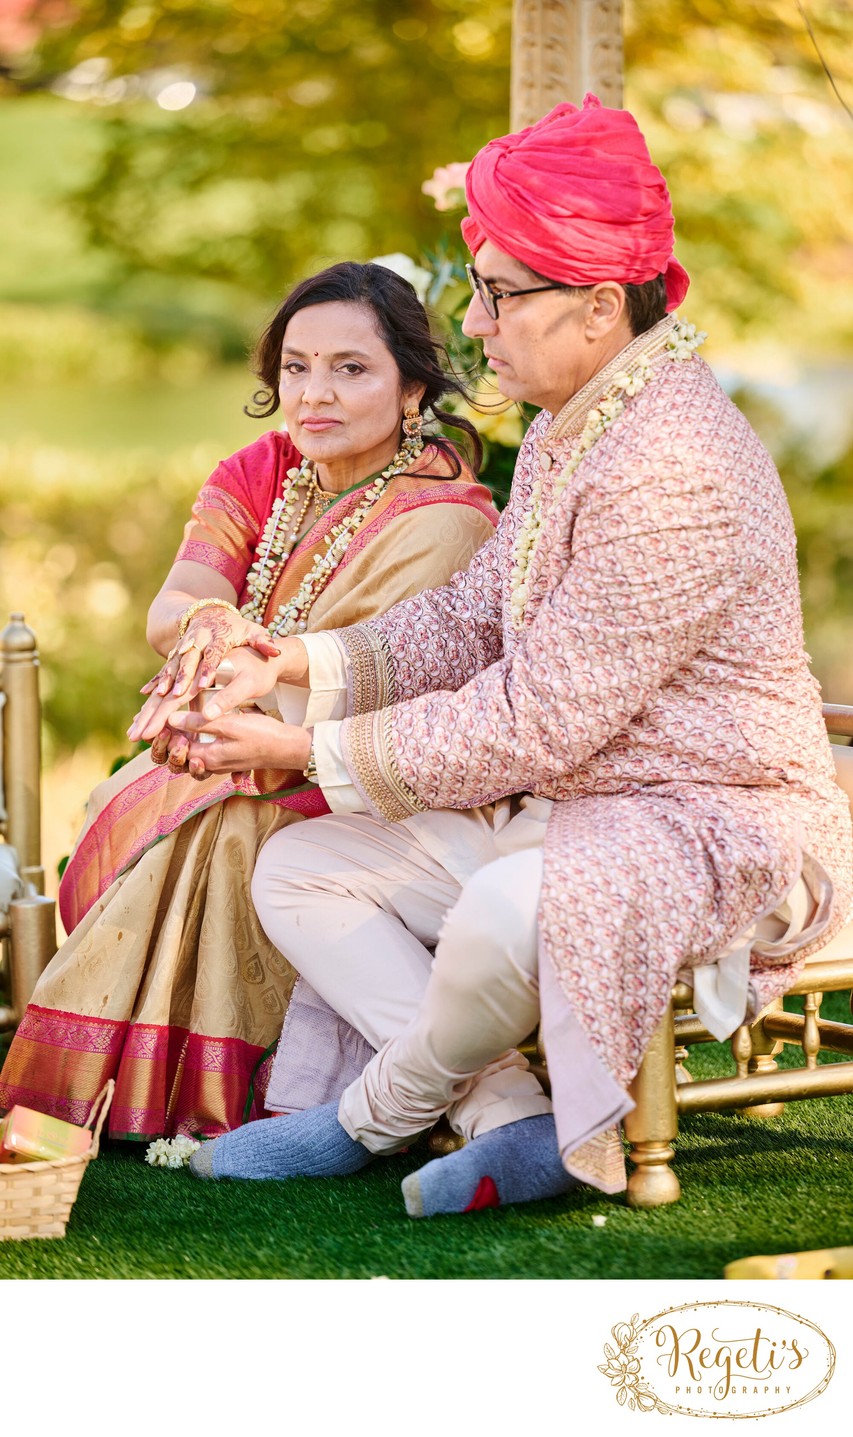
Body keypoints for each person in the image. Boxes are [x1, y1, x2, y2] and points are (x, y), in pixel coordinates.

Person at [167, 97, 850, 1214]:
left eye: (497, 295)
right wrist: (282, 658)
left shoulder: (674, 462)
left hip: (710, 818)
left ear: (594, 303)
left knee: (500, 913)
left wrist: (301, 744)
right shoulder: (574, 420)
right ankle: (509, 1118)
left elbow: (535, 717)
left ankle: (365, 1119)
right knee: (301, 866)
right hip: (574, 804)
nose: (474, 326)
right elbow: (469, 621)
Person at [0, 261, 499, 1140]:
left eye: (351, 368)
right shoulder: (264, 467)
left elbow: (410, 680)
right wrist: (214, 632)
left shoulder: (444, 514)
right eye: (296, 366)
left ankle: (229, 1088)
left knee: (227, 824)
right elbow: (175, 604)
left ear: (412, 384)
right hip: (242, 734)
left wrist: (259, 717)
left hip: (373, 769)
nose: (315, 393)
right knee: (152, 792)